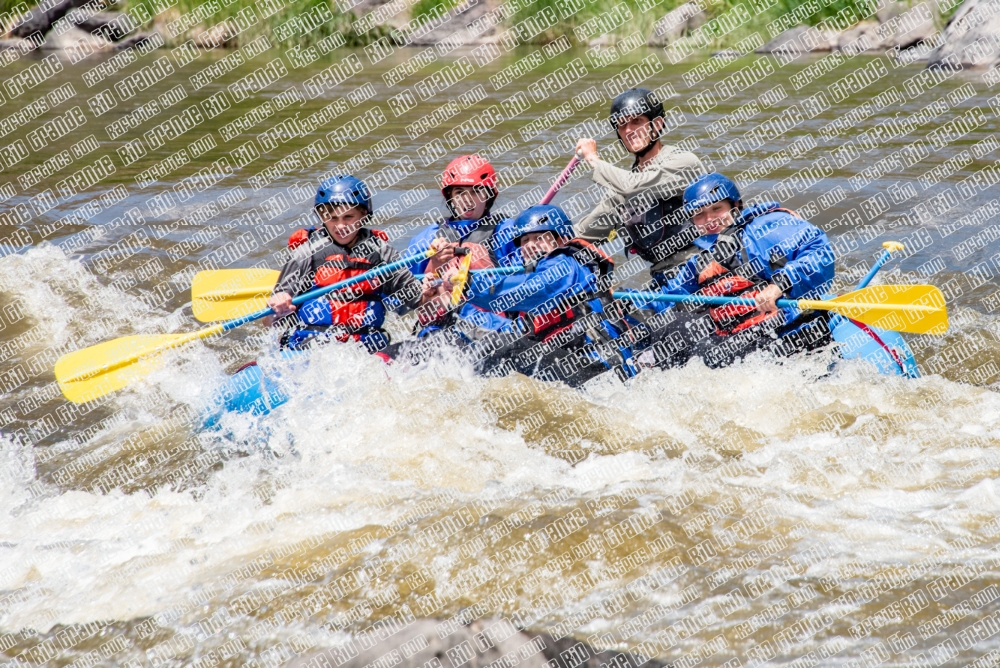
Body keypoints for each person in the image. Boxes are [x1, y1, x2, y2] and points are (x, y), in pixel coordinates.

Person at [636, 172, 837, 370]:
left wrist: (779, 285)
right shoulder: (701, 260)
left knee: (678, 329)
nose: (709, 219)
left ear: (735, 206)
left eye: (717, 209)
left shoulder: (766, 227)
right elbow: (669, 298)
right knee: (670, 326)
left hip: (789, 332)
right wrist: (625, 304)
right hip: (744, 343)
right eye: (699, 214)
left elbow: (819, 252)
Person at [462, 204, 641, 387]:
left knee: (501, 346)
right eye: (525, 241)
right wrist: (451, 296)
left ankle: (466, 397)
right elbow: (499, 319)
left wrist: (469, 287)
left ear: (562, 240)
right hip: (575, 369)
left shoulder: (568, 264)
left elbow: (537, 290)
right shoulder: (530, 279)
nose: (530, 246)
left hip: (602, 370)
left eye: (539, 238)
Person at [266, 175, 423, 354]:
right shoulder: (305, 253)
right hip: (312, 352)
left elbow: (420, 300)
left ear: (364, 215)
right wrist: (276, 307)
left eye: (348, 217)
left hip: (366, 353)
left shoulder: (381, 252)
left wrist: (438, 283)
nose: (341, 226)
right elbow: (269, 322)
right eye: (332, 218)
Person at [575, 88, 706, 286]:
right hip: (664, 280)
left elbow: (633, 186)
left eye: (637, 121)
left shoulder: (684, 163)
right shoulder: (621, 189)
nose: (629, 130)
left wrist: (593, 159)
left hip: (703, 269)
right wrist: (537, 241)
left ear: (657, 124)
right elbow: (584, 233)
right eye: (622, 125)